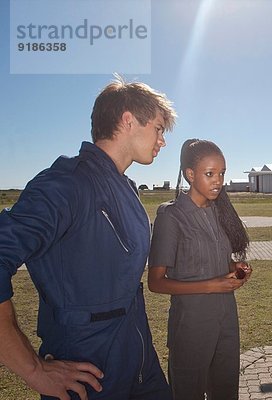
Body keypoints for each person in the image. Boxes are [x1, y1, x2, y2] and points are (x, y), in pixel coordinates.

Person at [0, 76, 177, 399]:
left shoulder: (126, 188)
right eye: (158, 128)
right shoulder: (66, 184)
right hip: (87, 376)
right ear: (128, 120)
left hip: (139, 363)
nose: (162, 141)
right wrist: (33, 370)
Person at [147, 139, 251, 400]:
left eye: (222, 173)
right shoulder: (171, 216)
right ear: (190, 174)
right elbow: (156, 282)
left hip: (226, 319)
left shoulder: (218, 211)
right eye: (209, 174)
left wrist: (234, 268)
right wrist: (212, 285)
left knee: (226, 393)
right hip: (191, 324)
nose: (218, 181)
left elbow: (210, 261)